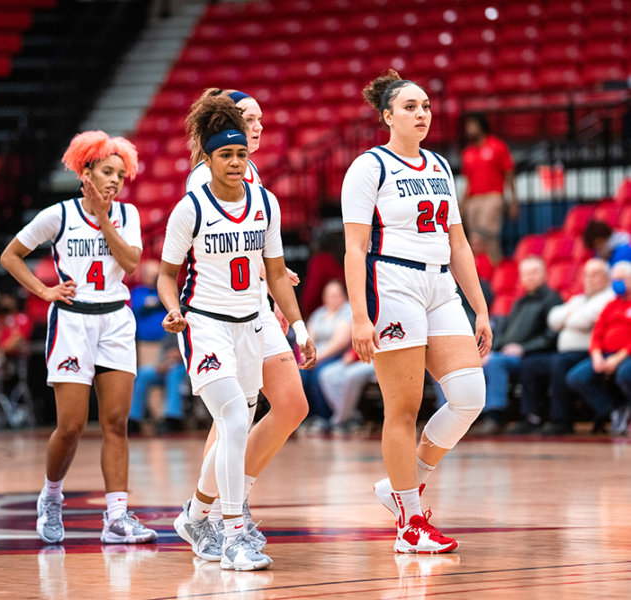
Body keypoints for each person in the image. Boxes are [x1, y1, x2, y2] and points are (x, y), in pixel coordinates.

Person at [163, 92, 315, 571]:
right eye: (247, 119)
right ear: (213, 146)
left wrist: (281, 290)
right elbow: (176, 268)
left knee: (285, 406)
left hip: (254, 315)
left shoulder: (259, 191)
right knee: (230, 417)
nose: (256, 128)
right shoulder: (199, 190)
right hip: (207, 319)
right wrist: (174, 308)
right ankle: (230, 520)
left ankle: (201, 510)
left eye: (260, 123)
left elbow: (263, 261)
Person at [342, 70, 492, 554]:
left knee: (470, 395)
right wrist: (360, 317)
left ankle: (404, 484)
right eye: (409, 106)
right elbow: (354, 248)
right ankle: (409, 523)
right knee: (402, 409)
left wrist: (480, 308)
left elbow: (460, 242)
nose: (421, 113)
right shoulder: (369, 167)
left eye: (425, 105)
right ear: (387, 116)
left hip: (440, 282)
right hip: (392, 282)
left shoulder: (441, 166)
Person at [0, 130, 157, 546]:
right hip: (72, 322)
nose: (115, 181)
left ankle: (117, 518)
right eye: (107, 172)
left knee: (116, 423)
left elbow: (130, 263)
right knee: (70, 426)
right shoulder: (60, 215)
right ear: (85, 172)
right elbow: (9, 255)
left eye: (121, 175)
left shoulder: (128, 216)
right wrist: (43, 291)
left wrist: (105, 217)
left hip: (116, 321)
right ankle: (51, 497)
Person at [520, 258, 614, 435]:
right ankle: (532, 418)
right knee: (530, 363)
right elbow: (552, 319)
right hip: (566, 353)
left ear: (606, 277)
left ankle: (562, 420)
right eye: (586, 274)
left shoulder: (608, 296)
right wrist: (570, 316)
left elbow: (583, 320)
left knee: (559, 363)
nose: (589, 279)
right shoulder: (579, 299)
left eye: (594, 275)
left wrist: (567, 317)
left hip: (589, 352)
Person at [473, 256, 562, 434]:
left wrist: (523, 348)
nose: (529, 277)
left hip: (530, 355)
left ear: (545, 274)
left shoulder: (552, 299)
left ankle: (495, 417)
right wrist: (491, 350)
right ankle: (471, 417)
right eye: (525, 274)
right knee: (478, 362)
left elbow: (551, 335)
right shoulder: (519, 302)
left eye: (534, 272)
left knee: (496, 364)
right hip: (507, 354)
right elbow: (504, 333)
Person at [566, 261, 631, 435]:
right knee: (576, 377)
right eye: (614, 279)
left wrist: (619, 357)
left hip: (626, 354)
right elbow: (597, 333)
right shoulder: (611, 305)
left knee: (625, 374)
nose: (617, 283)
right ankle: (614, 410)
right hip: (605, 354)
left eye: (622, 279)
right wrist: (596, 355)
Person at [128, 259, 185, 432]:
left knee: (173, 373)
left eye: (157, 276)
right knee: (144, 374)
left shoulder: (177, 300)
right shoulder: (138, 292)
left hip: (179, 356)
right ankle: (134, 419)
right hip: (150, 345)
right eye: (153, 275)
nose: (155, 279)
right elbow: (142, 307)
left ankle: (169, 418)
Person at [460, 112, 517, 264]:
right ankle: (481, 272)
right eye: (467, 126)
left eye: (472, 125)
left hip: (493, 197)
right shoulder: (468, 152)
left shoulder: (497, 146)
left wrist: (513, 201)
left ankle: (495, 270)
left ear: (481, 125)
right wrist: (463, 204)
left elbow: (509, 174)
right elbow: (468, 181)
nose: (469, 129)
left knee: (487, 236)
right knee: (474, 240)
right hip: (473, 200)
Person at [300, 280, 352, 432]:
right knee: (301, 373)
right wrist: (308, 354)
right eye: (329, 295)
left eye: (336, 295)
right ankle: (305, 417)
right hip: (315, 355)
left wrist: (318, 357)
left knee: (319, 373)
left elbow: (340, 341)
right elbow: (309, 337)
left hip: (336, 355)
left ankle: (323, 417)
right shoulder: (319, 313)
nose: (332, 299)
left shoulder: (347, 311)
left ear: (343, 296)